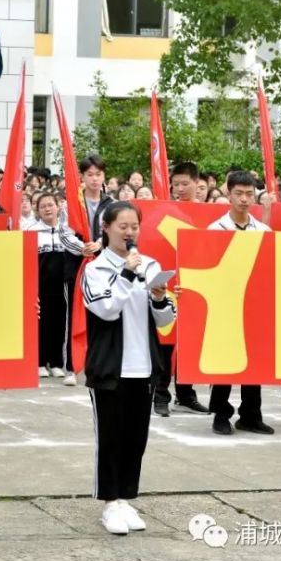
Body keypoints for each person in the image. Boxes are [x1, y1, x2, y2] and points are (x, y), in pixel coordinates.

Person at [82, 201, 175, 535]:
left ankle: (125, 498)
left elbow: (165, 321)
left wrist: (159, 297)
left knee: (136, 438)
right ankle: (108, 502)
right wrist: (126, 273)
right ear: (105, 229)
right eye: (122, 226)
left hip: (144, 365)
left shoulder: (151, 265)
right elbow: (105, 309)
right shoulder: (95, 269)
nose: (130, 232)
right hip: (110, 367)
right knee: (110, 437)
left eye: (134, 226)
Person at [206, 171, 274, 435]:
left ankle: (250, 414)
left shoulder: (264, 231)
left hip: (255, 305)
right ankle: (220, 413)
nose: (244, 199)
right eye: (239, 194)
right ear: (228, 193)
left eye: (249, 194)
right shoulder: (215, 230)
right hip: (225, 304)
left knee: (253, 359)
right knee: (225, 360)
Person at [153, 162, 209, 417]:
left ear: (198, 184)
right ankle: (160, 394)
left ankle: (186, 394)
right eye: (175, 184)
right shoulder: (164, 212)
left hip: (197, 285)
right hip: (171, 284)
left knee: (190, 342)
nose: (180, 189)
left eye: (185, 184)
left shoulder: (208, 214)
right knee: (165, 341)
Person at [33, 193, 86, 385]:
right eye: (43, 206)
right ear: (37, 211)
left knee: (60, 323)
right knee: (41, 322)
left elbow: (80, 251)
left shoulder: (68, 232)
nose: (47, 209)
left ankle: (56, 362)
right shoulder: (32, 231)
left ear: (58, 207)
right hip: (40, 284)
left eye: (51, 205)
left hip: (62, 285)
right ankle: (39, 362)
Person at [80, 155, 112, 244]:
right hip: (78, 254)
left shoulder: (112, 204)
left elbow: (114, 230)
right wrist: (83, 247)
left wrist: (99, 243)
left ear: (103, 176)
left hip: (104, 254)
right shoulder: (75, 203)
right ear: (82, 177)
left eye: (98, 174)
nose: (94, 179)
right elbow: (65, 233)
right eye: (90, 175)